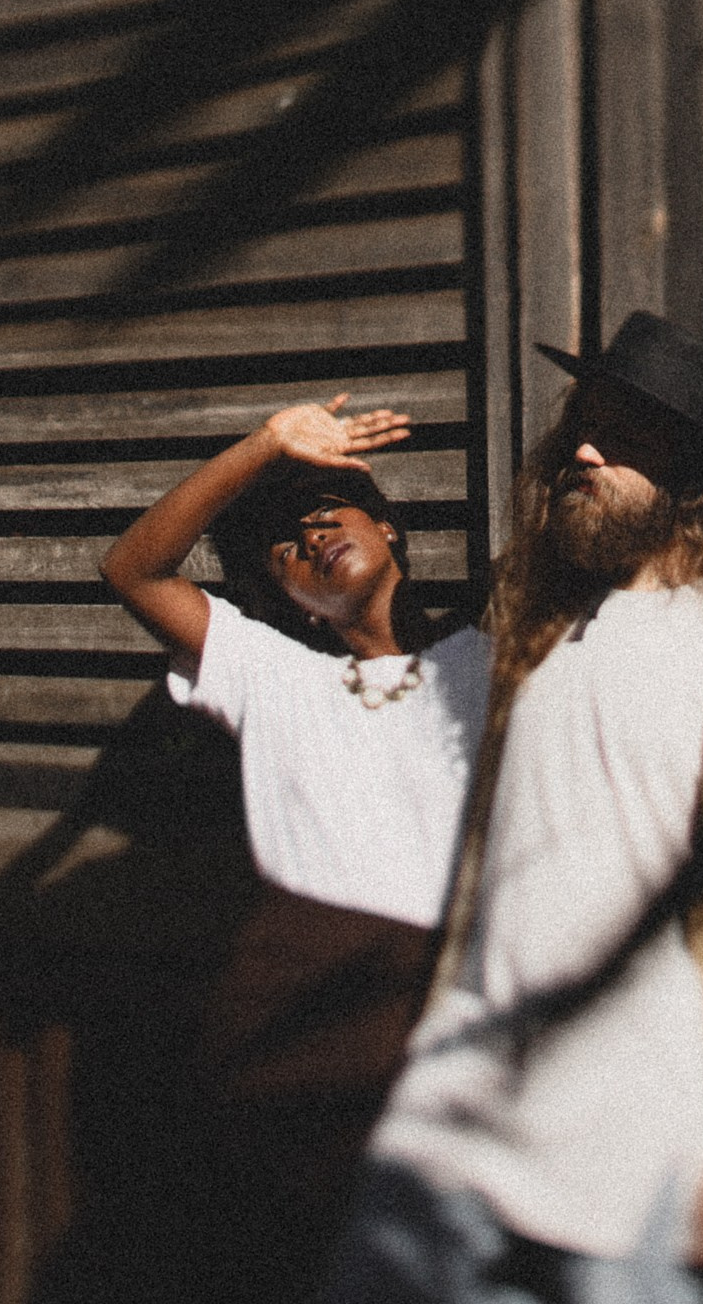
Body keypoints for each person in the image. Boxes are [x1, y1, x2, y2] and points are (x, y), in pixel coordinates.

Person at [324, 312, 703, 1304]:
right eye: (583, 423)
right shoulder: (530, 630)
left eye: (623, 435)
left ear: (694, 470)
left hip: (649, 1121)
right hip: (462, 1097)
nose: (581, 447)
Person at [96, 394, 495, 1299]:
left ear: (391, 531)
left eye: (327, 518)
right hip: (307, 1035)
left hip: (464, 1017)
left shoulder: (498, 649)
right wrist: (267, 444)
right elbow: (133, 567)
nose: (310, 542)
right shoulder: (272, 678)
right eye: (284, 550)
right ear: (286, 599)